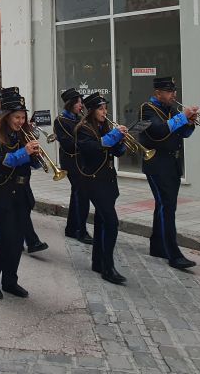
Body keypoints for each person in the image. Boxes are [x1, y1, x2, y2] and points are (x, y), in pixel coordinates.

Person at [0, 87, 40, 300]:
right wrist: (23, 153)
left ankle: (10, 281)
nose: (20, 121)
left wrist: (36, 155)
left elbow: (33, 165)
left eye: (23, 117)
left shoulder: (25, 134)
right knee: (5, 238)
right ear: (6, 117)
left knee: (17, 241)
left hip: (21, 193)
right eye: (16, 117)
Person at [138, 77, 198, 270]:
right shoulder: (147, 109)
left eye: (174, 91)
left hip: (171, 163)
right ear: (158, 93)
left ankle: (158, 245)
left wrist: (189, 122)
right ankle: (174, 253)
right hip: (156, 164)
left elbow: (183, 134)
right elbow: (158, 131)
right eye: (169, 91)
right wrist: (182, 117)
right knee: (167, 206)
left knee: (164, 205)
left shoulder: (170, 109)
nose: (174, 94)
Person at [74, 93, 128, 285]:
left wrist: (121, 142)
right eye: (101, 108)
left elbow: (114, 151)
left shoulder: (104, 126)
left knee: (101, 221)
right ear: (91, 111)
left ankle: (98, 261)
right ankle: (108, 266)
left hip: (108, 180)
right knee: (111, 222)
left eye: (105, 108)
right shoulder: (83, 129)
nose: (105, 112)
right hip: (93, 181)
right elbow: (94, 148)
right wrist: (114, 136)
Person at [54, 88, 93, 244]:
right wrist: (88, 142)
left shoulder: (80, 118)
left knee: (78, 194)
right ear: (70, 104)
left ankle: (72, 228)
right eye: (78, 102)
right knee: (81, 195)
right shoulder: (61, 120)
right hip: (71, 162)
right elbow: (69, 143)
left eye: (81, 102)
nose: (80, 105)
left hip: (82, 160)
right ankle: (80, 230)